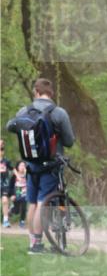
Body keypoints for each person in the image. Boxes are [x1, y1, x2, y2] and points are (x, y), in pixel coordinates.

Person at [5, 78, 76, 254]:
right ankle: (37, 245)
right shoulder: (58, 113)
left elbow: (10, 127)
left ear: (36, 92)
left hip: (30, 165)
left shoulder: (24, 110)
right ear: (51, 93)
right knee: (42, 203)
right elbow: (69, 141)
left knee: (32, 204)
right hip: (50, 165)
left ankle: (33, 243)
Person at [10, 161, 28, 228]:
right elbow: (11, 186)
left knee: (24, 207)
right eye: (21, 165)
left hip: (25, 192)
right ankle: (12, 210)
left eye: (24, 165)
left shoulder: (27, 175)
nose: (22, 167)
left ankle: (22, 221)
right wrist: (12, 194)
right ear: (18, 167)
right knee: (16, 210)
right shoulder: (15, 176)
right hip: (17, 192)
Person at [1, 140, 13, 227]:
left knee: (5, 201)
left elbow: (13, 169)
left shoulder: (6, 161)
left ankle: (5, 220)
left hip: (4, 184)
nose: (1, 150)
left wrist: (19, 176)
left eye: (2, 149)